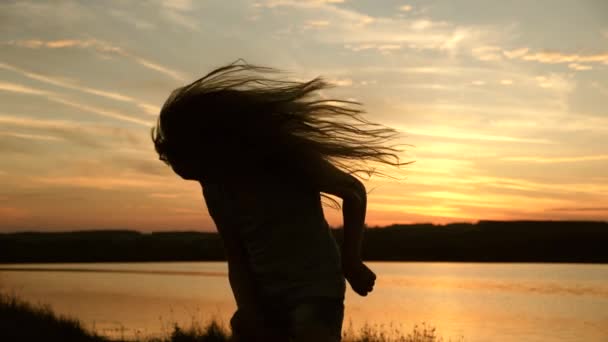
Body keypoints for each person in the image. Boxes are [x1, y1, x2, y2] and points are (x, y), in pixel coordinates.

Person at [151, 60, 405, 341]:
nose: (200, 178)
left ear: (211, 148)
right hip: (265, 294)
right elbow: (235, 254)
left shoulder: (283, 156)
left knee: (309, 329)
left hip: (316, 286)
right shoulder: (214, 187)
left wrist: (351, 261)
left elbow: (353, 191)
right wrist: (248, 309)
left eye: (196, 169)